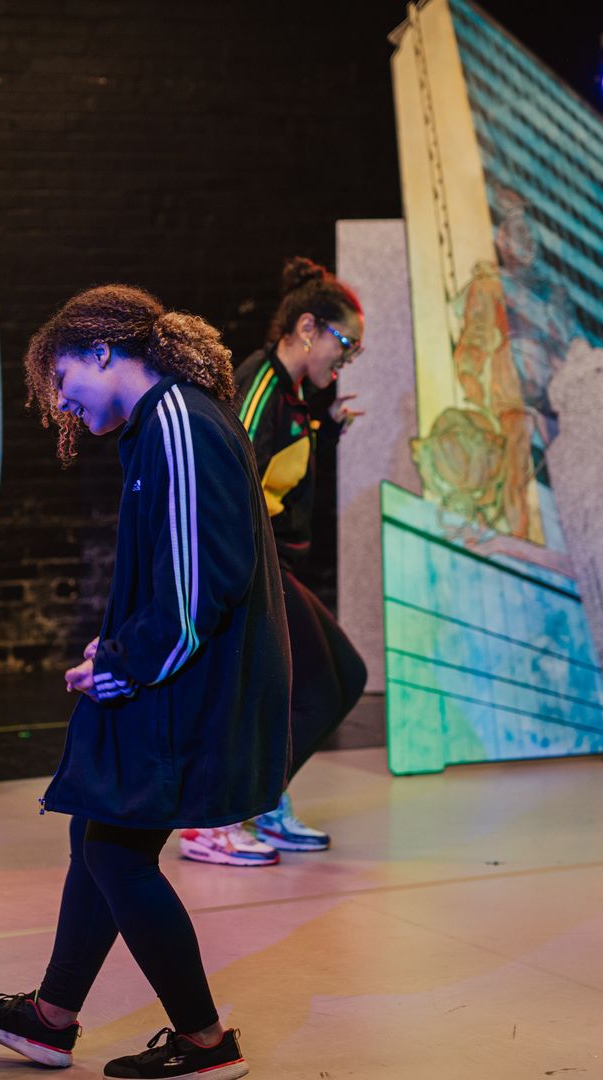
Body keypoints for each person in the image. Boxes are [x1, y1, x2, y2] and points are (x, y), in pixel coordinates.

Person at [0, 285, 286, 1079]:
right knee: (98, 828)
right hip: (179, 670)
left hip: (192, 683)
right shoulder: (157, 426)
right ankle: (52, 1016)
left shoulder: (176, 419)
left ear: (103, 352)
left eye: (63, 378)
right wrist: (117, 646)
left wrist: (127, 665)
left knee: (118, 853)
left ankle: (205, 1042)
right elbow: (174, 573)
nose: (60, 401)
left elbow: (205, 579)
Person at [179, 257, 368, 868]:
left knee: (333, 681)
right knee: (317, 680)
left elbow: (283, 466)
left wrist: (327, 428)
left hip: (275, 567)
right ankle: (214, 816)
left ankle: (259, 798)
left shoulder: (292, 395)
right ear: (308, 327)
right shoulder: (260, 384)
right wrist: (230, 581)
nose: (347, 360)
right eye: (346, 344)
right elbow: (228, 479)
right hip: (252, 571)